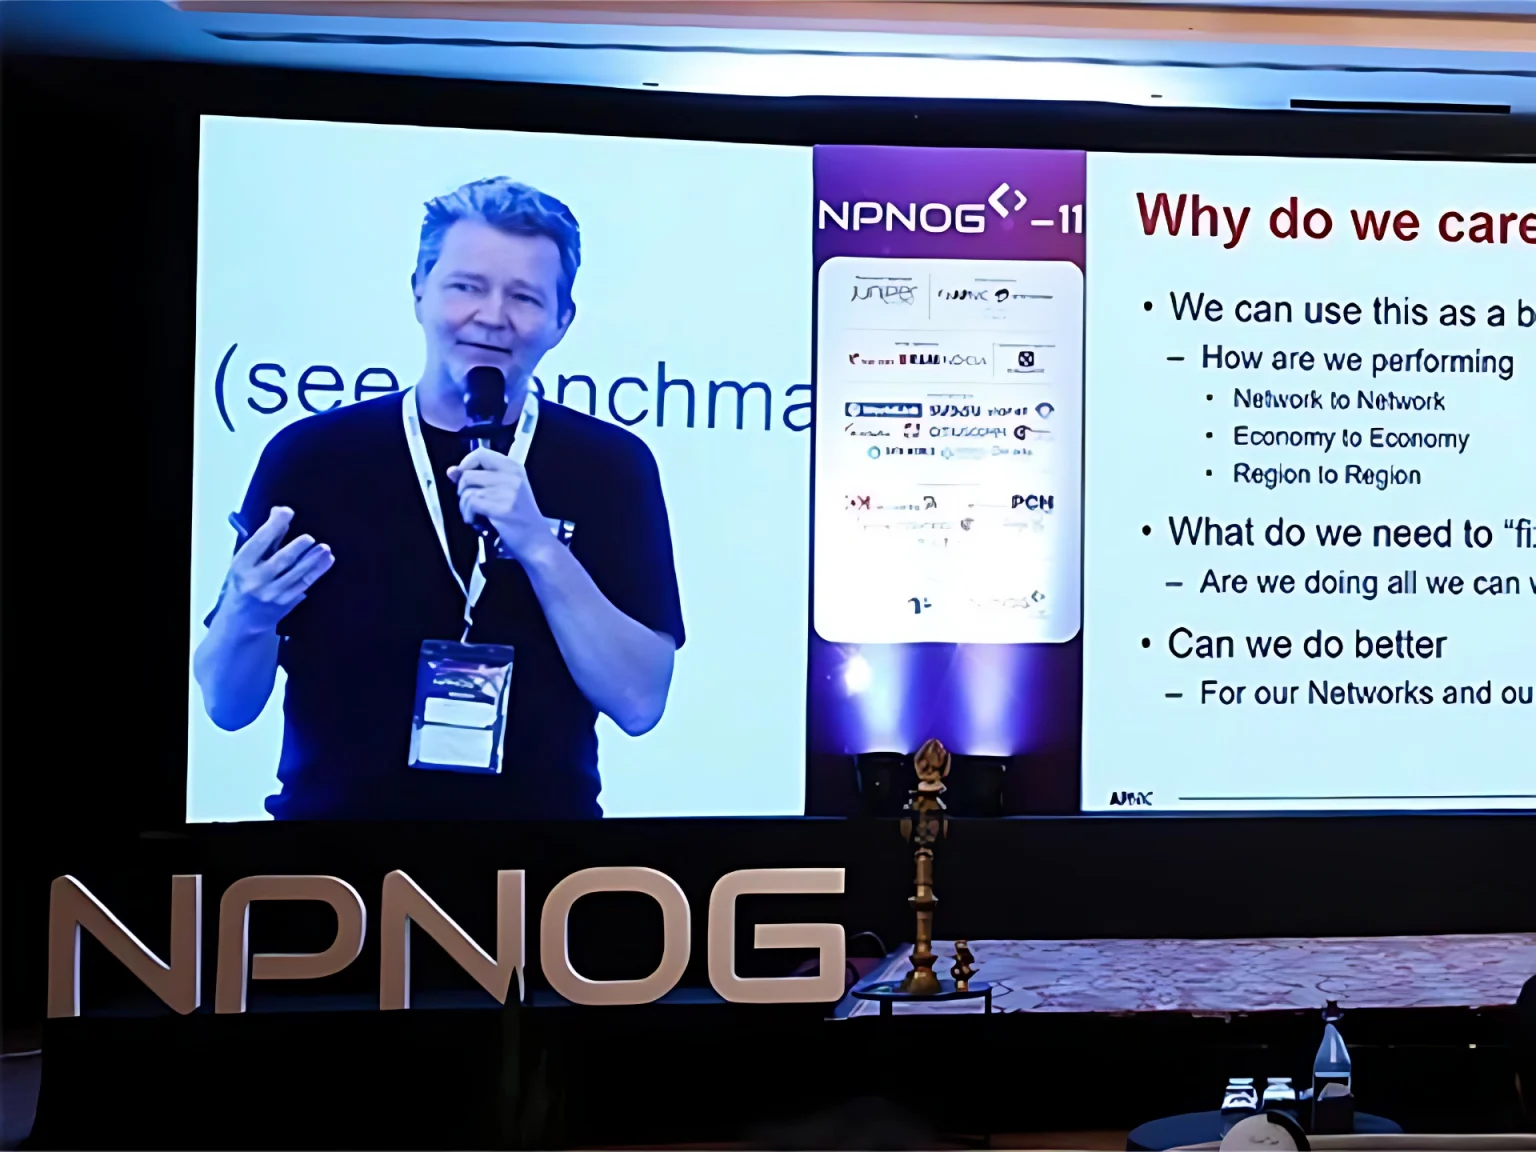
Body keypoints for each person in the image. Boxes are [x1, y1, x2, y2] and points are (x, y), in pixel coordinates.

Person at [193, 177, 684, 819]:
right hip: (332, 850)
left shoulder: (611, 465)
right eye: (466, 287)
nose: (492, 316)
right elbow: (227, 707)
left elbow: (640, 702)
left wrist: (538, 544)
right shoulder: (311, 455)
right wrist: (247, 614)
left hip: (542, 854)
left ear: (562, 320)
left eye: (524, 297)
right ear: (419, 291)